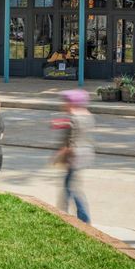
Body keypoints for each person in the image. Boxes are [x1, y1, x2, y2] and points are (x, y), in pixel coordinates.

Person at [52, 89, 95, 224]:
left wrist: (58, 156)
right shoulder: (86, 115)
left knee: (70, 188)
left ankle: (81, 219)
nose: (63, 104)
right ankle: (65, 214)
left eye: (66, 101)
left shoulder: (73, 118)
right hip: (84, 154)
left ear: (72, 103)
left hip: (74, 157)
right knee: (70, 187)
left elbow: (69, 142)